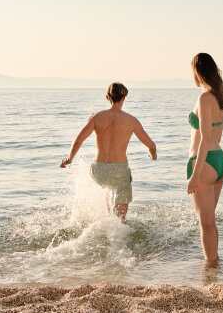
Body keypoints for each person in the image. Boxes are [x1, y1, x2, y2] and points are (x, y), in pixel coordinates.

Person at [60, 82, 157, 220]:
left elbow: (78, 140)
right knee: (119, 214)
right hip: (119, 171)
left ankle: (108, 220)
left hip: (98, 171)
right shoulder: (132, 120)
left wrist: (69, 159)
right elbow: (152, 146)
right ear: (124, 98)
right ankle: (116, 228)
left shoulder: (96, 117)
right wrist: (153, 156)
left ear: (107, 97)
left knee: (110, 186)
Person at [187, 53, 223, 267]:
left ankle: (210, 270)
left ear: (199, 71)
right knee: (210, 222)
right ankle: (215, 264)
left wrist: (195, 174)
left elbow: (204, 137)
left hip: (203, 163)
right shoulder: (219, 96)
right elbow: (216, 135)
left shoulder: (204, 98)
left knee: (206, 224)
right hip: (219, 160)